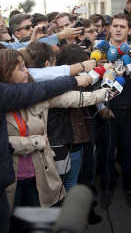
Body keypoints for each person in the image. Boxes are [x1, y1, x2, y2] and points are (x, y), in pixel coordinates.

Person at [2, 49, 108, 214]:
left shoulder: (34, 93)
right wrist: (36, 142)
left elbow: (69, 98)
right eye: (22, 68)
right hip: (10, 181)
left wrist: (104, 94)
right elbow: (5, 143)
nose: (28, 71)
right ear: (7, 74)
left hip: (36, 176)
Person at [97, 13, 131, 209]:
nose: (118, 29)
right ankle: (108, 188)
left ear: (129, 30)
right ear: (110, 28)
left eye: (122, 27)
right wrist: (100, 107)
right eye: (115, 26)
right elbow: (93, 83)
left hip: (130, 111)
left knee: (129, 153)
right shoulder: (99, 51)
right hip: (107, 111)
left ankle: (128, 188)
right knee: (106, 153)